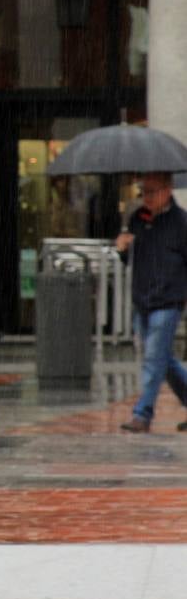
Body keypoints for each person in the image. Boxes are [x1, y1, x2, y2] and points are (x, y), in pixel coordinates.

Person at [115, 172, 187, 433]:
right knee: (162, 359)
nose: (146, 197)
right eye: (143, 191)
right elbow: (130, 259)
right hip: (142, 298)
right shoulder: (138, 219)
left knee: (154, 357)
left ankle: (142, 414)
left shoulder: (180, 223)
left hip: (168, 300)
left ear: (167, 191)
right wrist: (122, 249)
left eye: (152, 191)